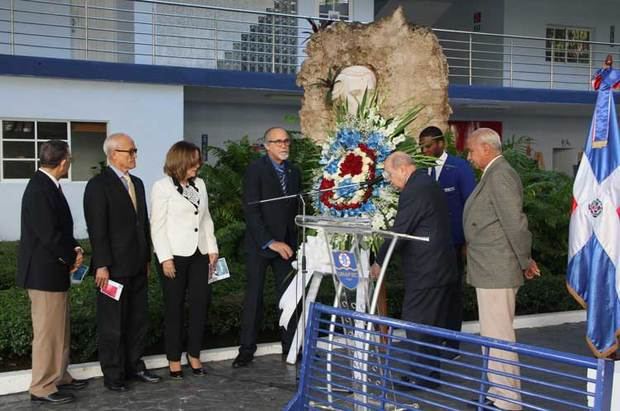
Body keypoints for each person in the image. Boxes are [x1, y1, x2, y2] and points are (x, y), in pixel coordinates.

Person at [464, 128, 540, 411]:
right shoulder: (494, 173)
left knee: (499, 337)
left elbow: (515, 223)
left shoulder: (501, 174)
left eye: (471, 151)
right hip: (489, 269)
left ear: (486, 148)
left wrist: (525, 260)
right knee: (492, 337)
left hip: (498, 269)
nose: (470, 157)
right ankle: (498, 393)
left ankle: (508, 401)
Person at [370, 151, 457, 390]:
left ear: (402, 168)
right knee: (427, 323)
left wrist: (379, 261)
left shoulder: (415, 189)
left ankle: (423, 376)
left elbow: (401, 230)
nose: (388, 179)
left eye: (388, 173)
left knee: (416, 320)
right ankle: (428, 373)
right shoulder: (425, 183)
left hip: (427, 269)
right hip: (436, 266)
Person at [83, 133, 161, 391]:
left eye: (135, 151)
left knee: (137, 320)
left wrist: (147, 258)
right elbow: (97, 228)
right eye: (131, 151)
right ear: (113, 154)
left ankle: (134, 366)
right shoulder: (98, 185)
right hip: (112, 268)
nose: (135, 155)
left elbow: (143, 224)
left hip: (137, 264)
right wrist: (102, 264)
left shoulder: (136, 183)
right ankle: (114, 375)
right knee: (113, 323)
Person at [16, 140, 89, 404]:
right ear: (63, 162)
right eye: (69, 158)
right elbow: (48, 235)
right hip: (43, 274)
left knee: (60, 329)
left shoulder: (47, 185)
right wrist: (70, 256)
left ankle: (58, 376)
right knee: (48, 333)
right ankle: (42, 386)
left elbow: (60, 229)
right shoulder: (39, 189)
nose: (69, 162)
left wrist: (76, 248)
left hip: (53, 271)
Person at [232, 127, 301, 368]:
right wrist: (271, 242)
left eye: (287, 141)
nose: (284, 145)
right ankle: (246, 350)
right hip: (260, 245)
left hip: (287, 247)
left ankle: (290, 346)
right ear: (267, 146)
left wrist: (295, 243)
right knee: (254, 298)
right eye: (278, 142)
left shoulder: (294, 171)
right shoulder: (255, 170)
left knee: (289, 298)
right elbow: (251, 211)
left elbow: (295, 210)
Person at [150, 141, 218, 379]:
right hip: (174, 256)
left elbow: (206, 218)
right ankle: (173, 358)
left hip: (199, 254)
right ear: (180, 162)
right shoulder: (162, 187)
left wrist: (212, 248)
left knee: (200, 304)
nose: (197, 166)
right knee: (174, 308)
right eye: (193, 162)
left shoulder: (199, 184)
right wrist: (165, 258)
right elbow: (157, 226)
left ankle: (194, 354)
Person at [419, 126, 476, 355]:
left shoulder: (459, 167)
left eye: (428, 145)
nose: (424, 149)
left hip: (453, 243)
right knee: (434, 293)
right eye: (421, 145)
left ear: (441, 144)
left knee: (452, 294)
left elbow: (470, 205)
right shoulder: (422, 170)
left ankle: (452, 343)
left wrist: (467, 242)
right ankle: (434, 338)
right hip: (429, 245)